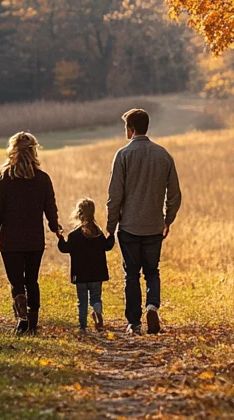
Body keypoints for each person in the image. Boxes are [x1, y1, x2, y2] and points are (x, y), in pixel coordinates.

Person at [106, 108, 181, 336]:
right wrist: (167, 220)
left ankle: (134, 323)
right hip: (154, 225)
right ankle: (152, 306)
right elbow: (175, 194)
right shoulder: (163, 155)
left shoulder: (123, 155)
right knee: (152, 271)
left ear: (130, 129)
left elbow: (114, 195)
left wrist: (110, 226)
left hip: (129, 226)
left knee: (131, 275)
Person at [0, 132, 63, 335]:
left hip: (10, 241)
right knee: (32, 280)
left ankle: (21, 315)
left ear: (13, 151)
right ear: (34, 151)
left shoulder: (5, 176)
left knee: (17, 282)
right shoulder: (43, 179)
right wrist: (56, 228)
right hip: (34, 240)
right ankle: (33, 322)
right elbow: (50, 208)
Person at [56, 197, 115, 332]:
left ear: (79, 213)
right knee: (95, 298)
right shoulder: (98, 234)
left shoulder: (74, 236)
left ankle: (83, 326)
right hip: (97, 275)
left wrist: (59, 237)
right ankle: (97, 310)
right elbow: (108, 246)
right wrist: (111, 234)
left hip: (80, 276)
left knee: (82, 302)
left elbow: (64, 248)